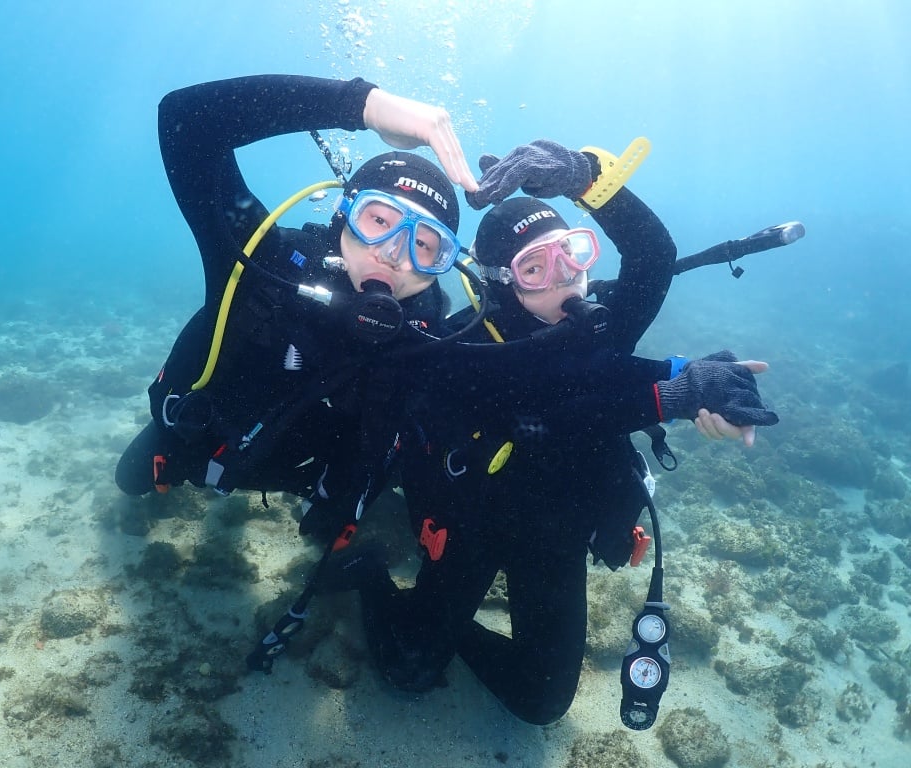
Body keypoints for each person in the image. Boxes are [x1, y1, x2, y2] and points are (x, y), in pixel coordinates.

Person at [321, 140, 779, 725]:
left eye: (572, 254)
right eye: (535, 268)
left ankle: (448, 624)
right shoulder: (464, 347)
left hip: (555, 532)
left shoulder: (604, 323)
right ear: (501, 281)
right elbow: (540, 412)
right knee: (409, 668)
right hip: (472, 525)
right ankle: (378, 583)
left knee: (541, 702)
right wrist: (670, 393)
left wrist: (587, 179)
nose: (565, 280)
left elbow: (653, 254)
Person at [115, 74, 481, 520]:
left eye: (424, 244)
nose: (391, 255)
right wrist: (360, 106)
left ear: (444, 262)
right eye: (379, 220)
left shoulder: (432, 338)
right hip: (199, 444)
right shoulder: (263, 264)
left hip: (308, 478)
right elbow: (185, 119)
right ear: (343, 213)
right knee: (130, 481)